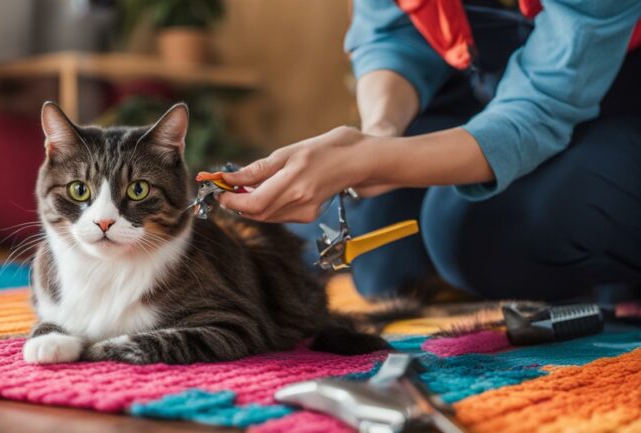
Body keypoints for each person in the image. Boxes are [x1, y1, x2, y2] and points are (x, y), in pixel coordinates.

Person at [218, 0, 641, 301]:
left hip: (612, 99)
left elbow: (539, 108)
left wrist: (371, 160)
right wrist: (380, 135)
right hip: (491, 93)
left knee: (467, 232)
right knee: (386, 270)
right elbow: (391, 33)